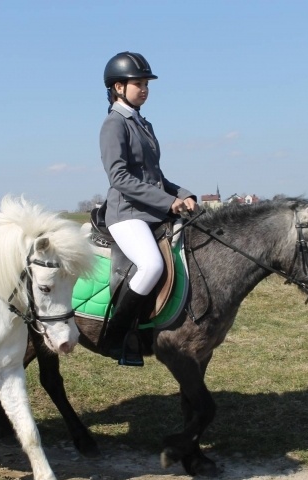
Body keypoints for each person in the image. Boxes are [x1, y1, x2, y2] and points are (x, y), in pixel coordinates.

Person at [99, 52, 197, 366]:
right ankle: (116, 335)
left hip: (151, 209)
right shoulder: (114, 125)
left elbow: (155, 177)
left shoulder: (143, 123)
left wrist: (184, 194)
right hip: (126, 212)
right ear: (117, 87)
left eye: (146, 84)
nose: (144, 89)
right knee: (152, 265)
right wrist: (169, 202)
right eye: (137, 83)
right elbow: (120, 177)